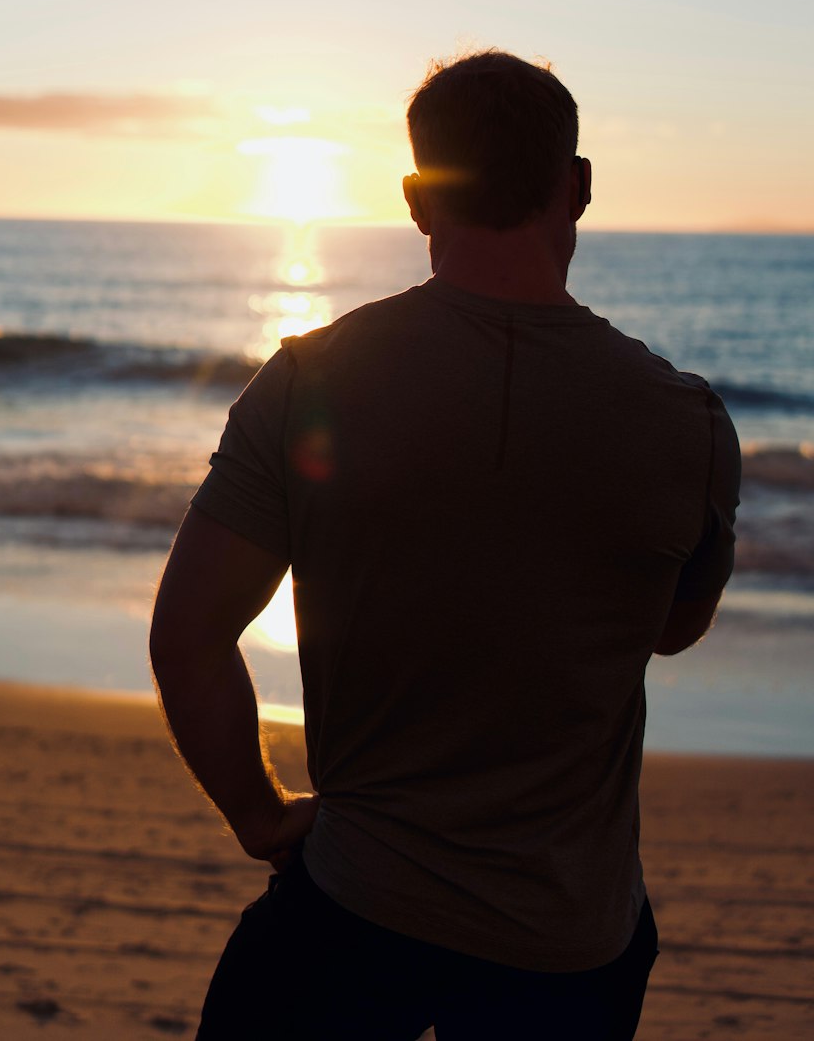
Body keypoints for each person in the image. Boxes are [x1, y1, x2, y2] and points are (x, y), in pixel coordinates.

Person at [149, 50, 740, 1040]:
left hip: (353, 904)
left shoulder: (308, 383)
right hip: (567, 941)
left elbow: (186, 636)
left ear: (419, 201)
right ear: (578, 187)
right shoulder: (688, 427)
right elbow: (671, 633)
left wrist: (258, 814)